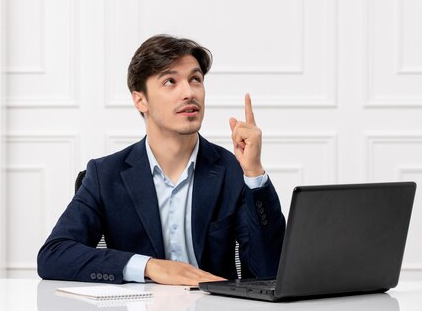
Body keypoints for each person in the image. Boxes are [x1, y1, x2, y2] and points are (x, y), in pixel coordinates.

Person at [37, 35, 286, 286]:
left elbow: (270, 272)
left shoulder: (231, 169)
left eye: (195, 79)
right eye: (170, 81)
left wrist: (254, 173)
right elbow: (53, 255)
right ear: (140, 99)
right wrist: (149, 267)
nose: (189, 92)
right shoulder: (105, 175)